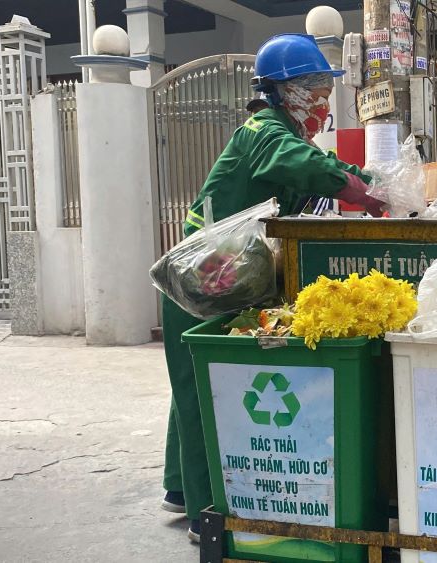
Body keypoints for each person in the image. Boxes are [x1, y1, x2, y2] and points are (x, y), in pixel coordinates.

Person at [159, 33, 385, 543]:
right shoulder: (264, 130)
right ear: (280, 91)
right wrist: (355, 188)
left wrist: (369, 179)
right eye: (312, 88)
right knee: (200, 392)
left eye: (325, 88)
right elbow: (300, 165)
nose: (323, 101)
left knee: (193, 383)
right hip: (202, 276)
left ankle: (179, 486)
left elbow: (320, 167)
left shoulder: (284, 134)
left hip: (222, 274)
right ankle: (205, 514)